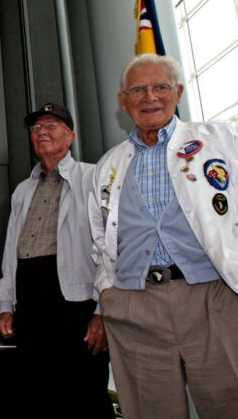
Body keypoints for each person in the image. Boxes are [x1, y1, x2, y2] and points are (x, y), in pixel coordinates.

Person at [89, 54, 238, 418]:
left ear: (179, 93)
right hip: (136, 304)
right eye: (137, 90)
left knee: (228, 400)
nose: (149, 97)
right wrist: (108, 293)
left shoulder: (222, 141)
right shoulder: (108, 165)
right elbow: (99, 239)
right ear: (123, 102)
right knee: (150, 409)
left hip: (213, 296)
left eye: (160, 87)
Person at [0, 103, 113, 418]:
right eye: (36, 129)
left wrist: (102, 311)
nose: (42, 132)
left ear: (70, 135)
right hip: (31, 304)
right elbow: (11, 252)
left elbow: (112, 247)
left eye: (51, 125)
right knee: (36, 393)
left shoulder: (93, 177)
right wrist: (6, 304)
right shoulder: (23, 190)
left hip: (77, 306)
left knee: (84, 395)